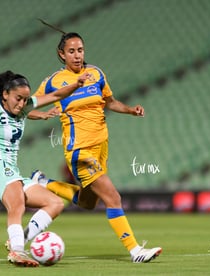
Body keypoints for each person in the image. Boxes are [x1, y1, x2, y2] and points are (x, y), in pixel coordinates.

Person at [28, 24, 162, 263]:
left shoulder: (96, 73)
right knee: (113, 197)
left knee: (89, 202)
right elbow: (25, 106)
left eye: (80, 50)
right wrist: (40, 114)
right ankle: (135, 251)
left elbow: (110, 102)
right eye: (71, 51)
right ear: (62, 54)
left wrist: (130, 110)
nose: (77, 55)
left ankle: (43, 182)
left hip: (101, 146)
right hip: (79, 150)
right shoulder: (54, 82)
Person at [0, 70, 89, 267]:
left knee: (54, 203)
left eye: (25, 100)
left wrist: (76, 84)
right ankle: (17, 252)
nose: (22, 104)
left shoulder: (22, 107)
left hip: (11, 170)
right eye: (18, 99)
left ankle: (19, 240)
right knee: (17, 205)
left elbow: (55, 95)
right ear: (5, 94)